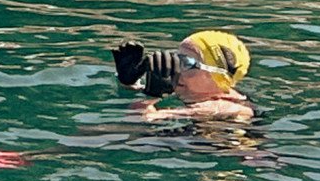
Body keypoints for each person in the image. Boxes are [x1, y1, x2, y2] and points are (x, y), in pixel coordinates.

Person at [109, 29, 254, 121]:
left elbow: (141, 120)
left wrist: (152, 97)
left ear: (217, 77)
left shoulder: (223, 107)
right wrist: (128, 82)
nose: (176, 68)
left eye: (187, 63)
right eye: (177, 59)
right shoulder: (195, 93)